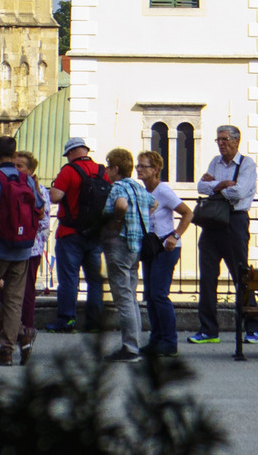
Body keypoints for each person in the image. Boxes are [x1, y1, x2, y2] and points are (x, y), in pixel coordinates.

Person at [0, 134, 43, 365]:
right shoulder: (28, 179)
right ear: (14, 156)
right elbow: (40, 208)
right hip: (23, 249)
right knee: (14, 301)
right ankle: (7, 349)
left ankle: (21, 332)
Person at [188, 125, 258, 346]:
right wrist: (221, 184)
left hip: (235, 222)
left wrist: (214, 186)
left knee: (241, 275)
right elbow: (201, 186)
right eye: (218, 139)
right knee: (208, 277)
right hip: (213, 223)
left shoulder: (246, 164)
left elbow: (239, 192)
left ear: (236, 141)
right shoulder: (214, 162)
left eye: (225, 139)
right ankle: (208, 329)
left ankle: (253, 326)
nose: (221, 143)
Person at [48, 136, 107, 332]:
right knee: (94, 279)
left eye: (67, 155)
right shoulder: (102, 171)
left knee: (69, 279)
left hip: (70, 234)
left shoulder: (68, 170)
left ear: (72, 153)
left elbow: (55, 197)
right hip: (95, 234)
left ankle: (67, 321)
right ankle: (94, 322)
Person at [135, 149, 190, 357]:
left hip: (166, 248)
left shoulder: (163, 191)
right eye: (138, 166)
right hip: (151, 248)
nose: (139, 169)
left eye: (143, 166)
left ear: (155, 169)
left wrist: (174, 235)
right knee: (150, 295)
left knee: (159, 294)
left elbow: (187, 213)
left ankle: (169, 341)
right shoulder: (144, 191)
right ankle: (156, 339)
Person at [100, 147, 150, 363]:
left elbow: (120, 204)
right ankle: (135, 344)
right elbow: (154, 203)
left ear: (116, 168)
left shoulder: (118, 187)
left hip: (119, 244)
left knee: (123, 298)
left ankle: (130, 348)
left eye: (109, 167)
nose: (107, 171)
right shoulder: (138, 187)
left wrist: (119, 219)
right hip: (136, 246)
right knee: (131, 295)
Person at [13, 151, 51, 356]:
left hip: (30, 248)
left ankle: (27, 327)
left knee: (27, 291)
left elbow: (44, 222)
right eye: (15, 165)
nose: (16, 169)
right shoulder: (13, 187)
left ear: (30, 170)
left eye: (20, 166)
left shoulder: (41, 192)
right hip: (13, 247)